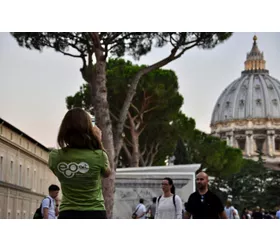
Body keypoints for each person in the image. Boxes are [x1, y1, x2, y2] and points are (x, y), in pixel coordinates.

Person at [48, 108, 111, 219]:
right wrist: (98, 142)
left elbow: (57, 172)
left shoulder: (55, 156)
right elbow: (107, 174)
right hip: (95, 212)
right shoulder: (99, 155)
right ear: (89, 130)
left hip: (67, 212)